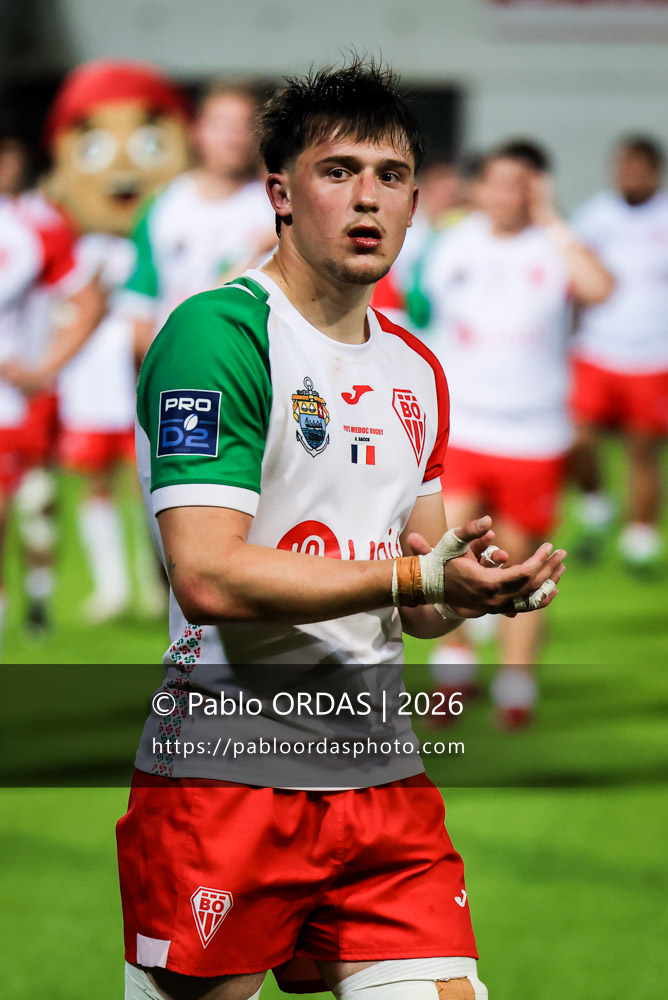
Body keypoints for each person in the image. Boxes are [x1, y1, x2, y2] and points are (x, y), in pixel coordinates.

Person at [118, 62, 567, 1000]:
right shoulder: (219, 335)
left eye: (393, 175)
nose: (369, 199)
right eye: (339, 171)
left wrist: (475, 585)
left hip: (380, 772)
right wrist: (419, 585)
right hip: (227, 777)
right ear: (280, 191)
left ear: (414, 203)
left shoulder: (415, 368)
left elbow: (426, 583)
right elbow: (206, 575)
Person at [421, 140, 612, 728]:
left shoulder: (555, 246)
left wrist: (552, 218)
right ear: (478, 187)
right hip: (467, 427)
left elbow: (599, 288)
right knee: (453, 554)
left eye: (522, 183)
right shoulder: (451, 243)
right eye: (499, 182)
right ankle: (451, 681)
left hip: (534, 434)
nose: (509, 194)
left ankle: (515, 686)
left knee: (523, 565)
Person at [124, 78, 276, 357]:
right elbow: (140, 300)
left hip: (245, 363)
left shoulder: (275, 206)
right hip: (175, 358)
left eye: (243, 125)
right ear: (197, 131)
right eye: (221, 124)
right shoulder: (162, 204)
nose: (233, 136)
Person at [570, 135, 668, 569]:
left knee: (643, 448)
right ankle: (596, 502)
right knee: (579, 437)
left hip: (652, 354)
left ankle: (640, 535)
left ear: (654, 172)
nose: (627, 177)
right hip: (597, 348)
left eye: (636, 169)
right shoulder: (596, 216)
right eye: (621, 168)